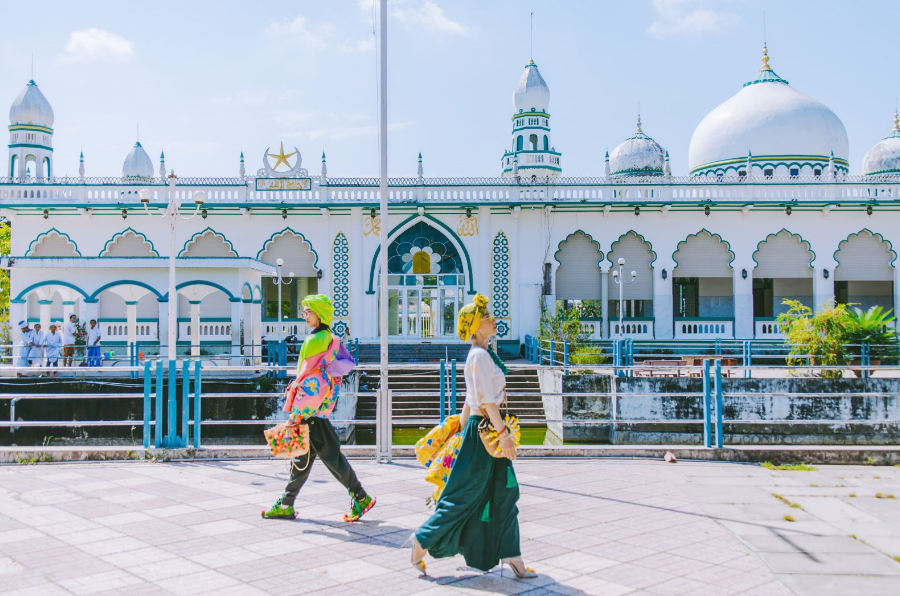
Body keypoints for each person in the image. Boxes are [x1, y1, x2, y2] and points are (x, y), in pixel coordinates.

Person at [408, 293, 536, 579]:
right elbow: (485, 400)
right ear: (476, 326)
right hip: (486, 435)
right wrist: (502, 435)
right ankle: (422, 540)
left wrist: (460, 432)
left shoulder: (484, 354)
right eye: (487, 316)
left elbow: (469, 400)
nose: (493, 319)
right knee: (464, 496)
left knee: (505, 493)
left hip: (482, 431)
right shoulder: (478, 355)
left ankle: (513, 555)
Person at [262, 294, 375, 522]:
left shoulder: (314, 341)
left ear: (319, 314)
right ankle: (286, 503)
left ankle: (361, 497)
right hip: (317, 411)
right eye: (304, 310)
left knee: (331, 458)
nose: (304, 314)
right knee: (302, 460)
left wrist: (296, 415)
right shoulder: (331, 339)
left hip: (309, 412)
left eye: (308, 310)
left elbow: (308, 380)